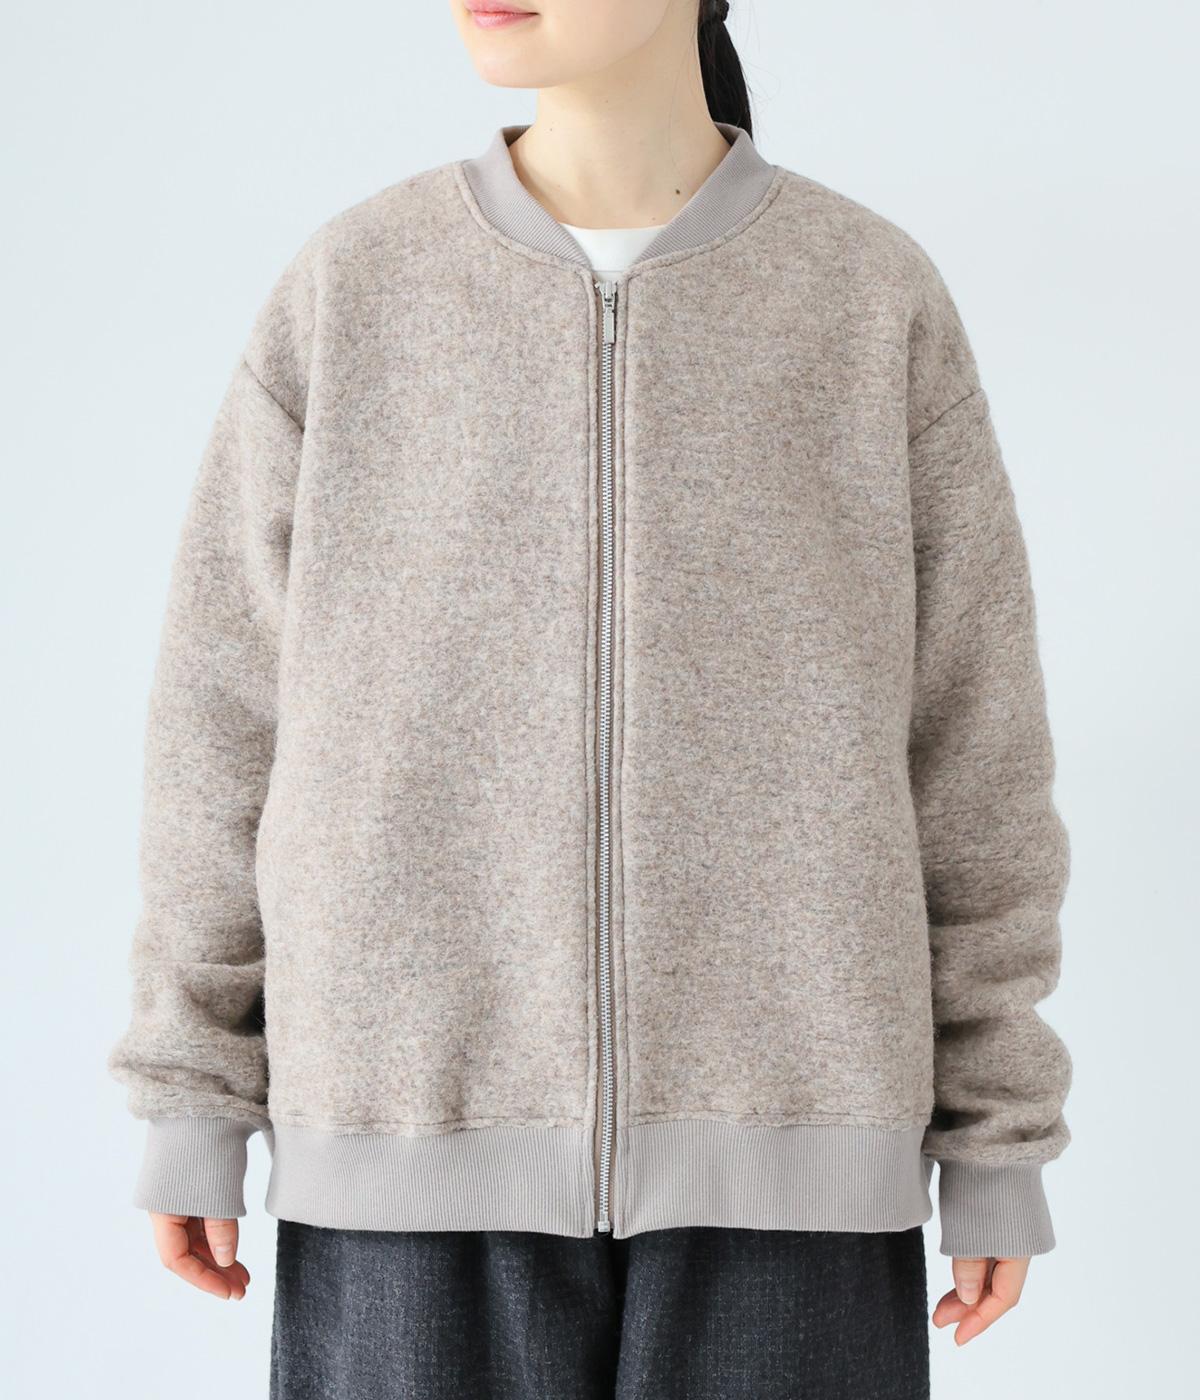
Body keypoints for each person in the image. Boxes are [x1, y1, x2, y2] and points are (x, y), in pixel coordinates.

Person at [107, 2, 1073, 1395]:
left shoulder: (866, 296)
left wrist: (996, 1132)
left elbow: (975, 749)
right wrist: (194, 1090)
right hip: (404, 1155)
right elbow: (222, 721)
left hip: (796, 1162)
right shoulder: (356, 288)